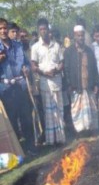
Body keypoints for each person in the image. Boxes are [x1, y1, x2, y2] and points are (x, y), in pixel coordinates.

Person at [0, 18, 36, 155]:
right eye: (0, 29)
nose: (3, 31)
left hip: (21, 87)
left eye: (4, 28)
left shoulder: (18, 46)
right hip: (6, 90)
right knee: (12, 122)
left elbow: (26, 63)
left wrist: (26, 68)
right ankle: (16, 152)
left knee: (26, 118)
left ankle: (31, 148)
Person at [31, 18, 65, 146]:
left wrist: (55, 70)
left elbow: (62, 63)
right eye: (41, 29)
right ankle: (51, 140)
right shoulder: (35, 47)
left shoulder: (56, 46)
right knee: (49, 113)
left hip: (57, 82)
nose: (43, 31)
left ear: (48, 30)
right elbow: (33, 66)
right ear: (38, 31)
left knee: (59, 111)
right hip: (45, 84)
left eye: (45, 29)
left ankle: (61, 138)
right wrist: (44, 73)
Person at [64, 25, 99, 135]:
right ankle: (80, 134)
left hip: (88, 87)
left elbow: (94, 68)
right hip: (76, 88)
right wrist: (69, 84)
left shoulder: (89, 51)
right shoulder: (69, 51)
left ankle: (90, 132)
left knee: (90, 113)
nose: (81, 38)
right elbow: (66, 69)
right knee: (77, 113)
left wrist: (96, 84)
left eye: (82, 35)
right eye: (78, 36)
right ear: (74, 36)